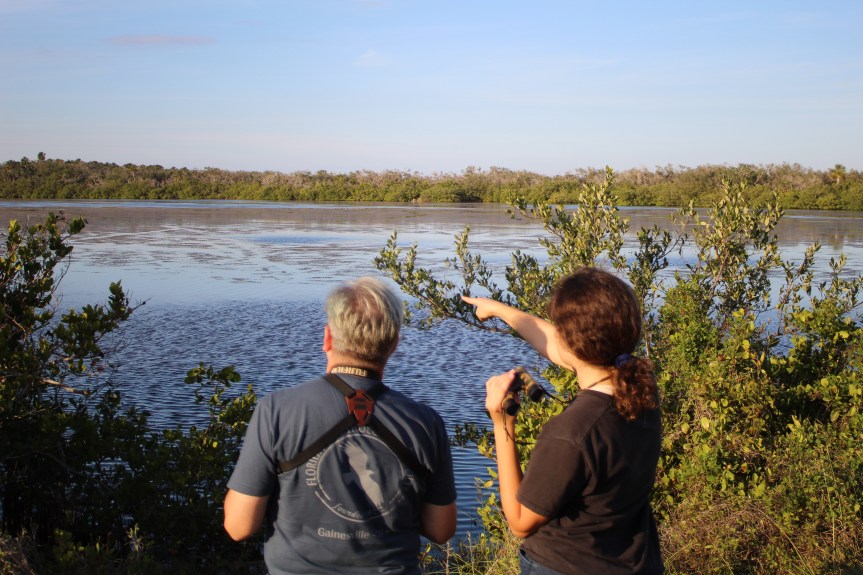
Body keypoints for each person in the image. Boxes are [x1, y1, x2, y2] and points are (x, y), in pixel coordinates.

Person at [225, 277, 457, 575]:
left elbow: (238, 526)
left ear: (327, 338)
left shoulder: (277, 410)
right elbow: (441, 530)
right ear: (394, 345)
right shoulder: (426, 422)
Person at [462, 267, 664, 575]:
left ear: (573, 343)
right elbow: (558, 347)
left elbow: (519, 522)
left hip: (566, 565)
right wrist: (499, 309)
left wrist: (503, 423)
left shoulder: (573, 432)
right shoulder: (641, 389)